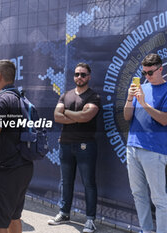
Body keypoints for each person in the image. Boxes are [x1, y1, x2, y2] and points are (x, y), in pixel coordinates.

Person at [123, 53, 167, 233]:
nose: (147, 76)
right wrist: (130, 100)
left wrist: (145, 104)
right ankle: (146, 230)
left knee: (159, 199)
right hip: (132, 147)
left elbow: (164, 120)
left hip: (154, 151)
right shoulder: (141, 88)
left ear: (160, 69)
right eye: (144, 72)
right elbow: (127, 117)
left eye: (150, 72)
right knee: (138, 195)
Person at [0, 59, 33, 233]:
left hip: (5, 169)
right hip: (23, 167)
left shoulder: (0, 100)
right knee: (13, 217)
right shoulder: (19, 97)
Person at [49, 63, 100, 233]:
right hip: (65, 143)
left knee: (89, 183)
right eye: (77, 74)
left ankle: (90, 220)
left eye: (83, 74)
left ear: (89, 76)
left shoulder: (94, 96)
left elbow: (86, 117)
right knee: (66, 181)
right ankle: (64, 213)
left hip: (86, 145)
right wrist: (77, 116)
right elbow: (56, 116)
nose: (79, 77)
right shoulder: (65, 95)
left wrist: (68, 113)